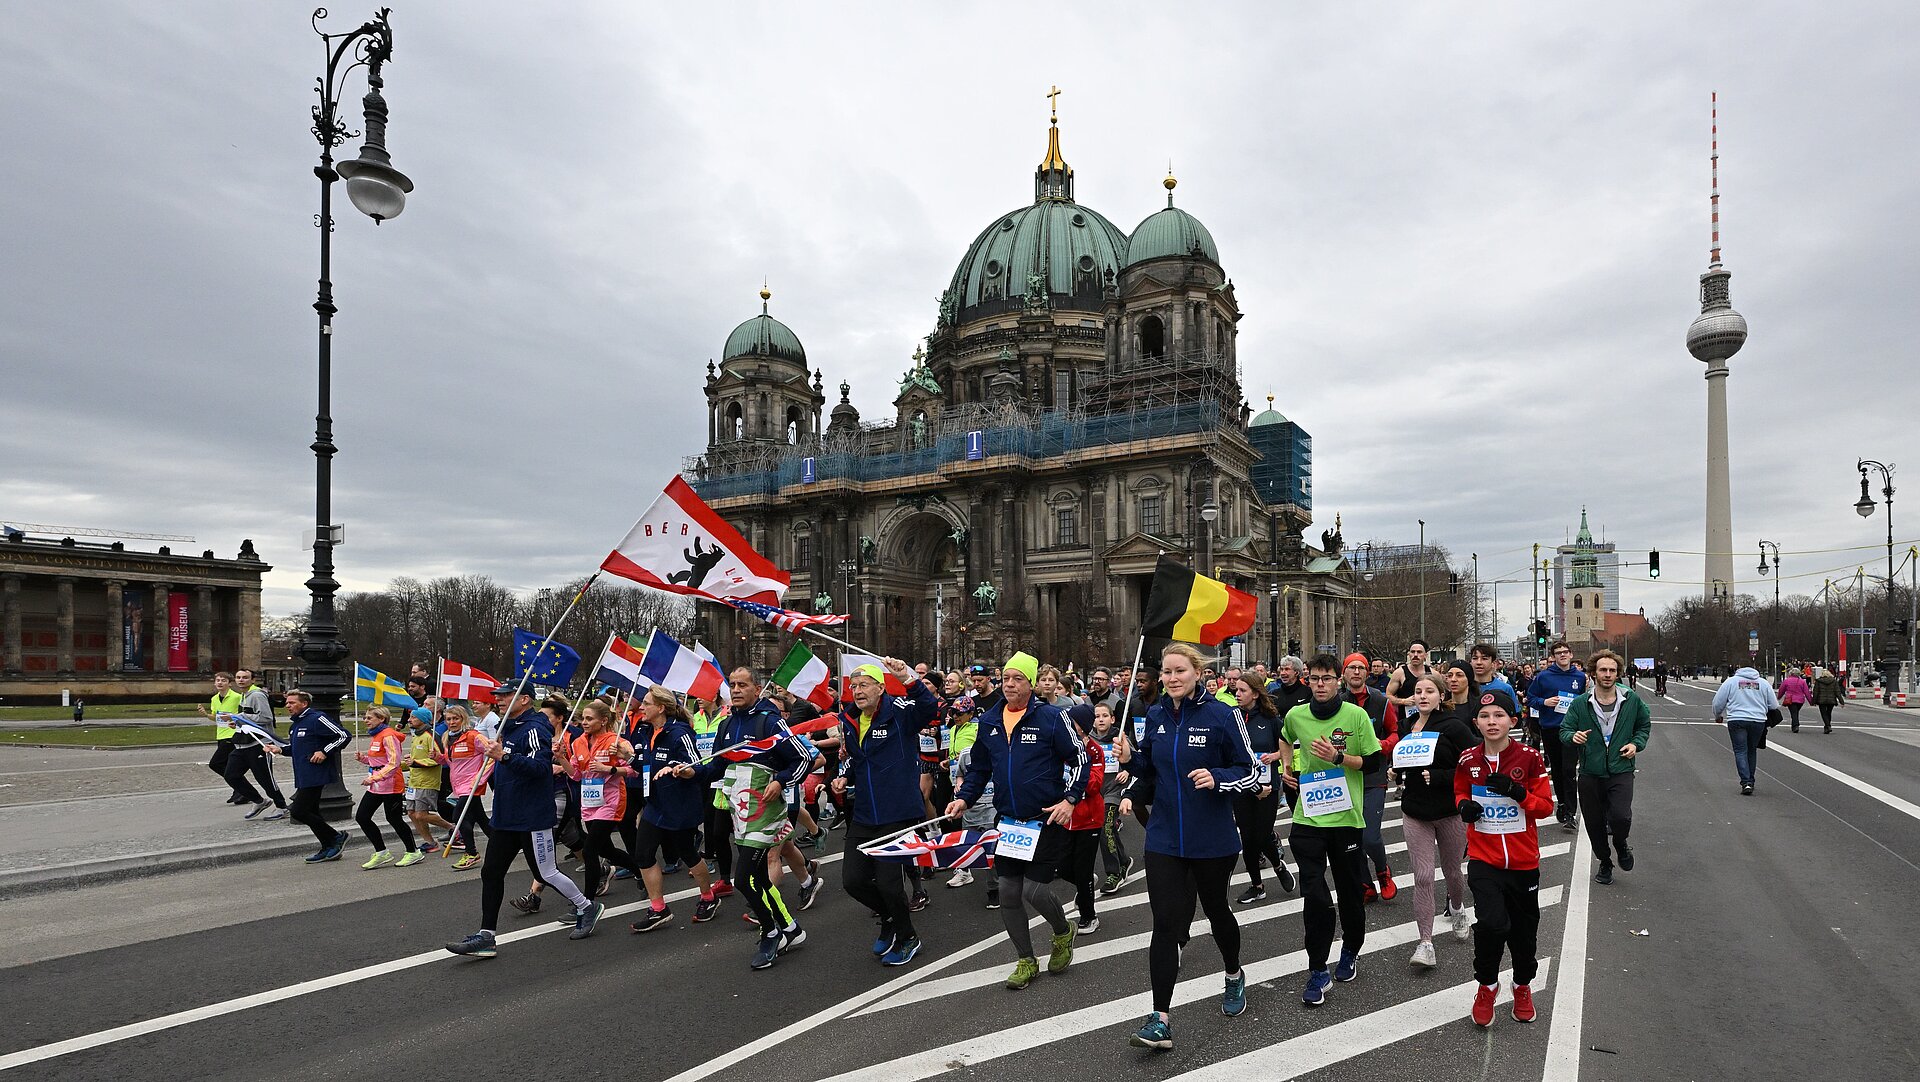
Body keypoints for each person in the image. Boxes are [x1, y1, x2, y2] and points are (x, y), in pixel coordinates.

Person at [1115, 644, 1259, 1050]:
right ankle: (1159, 1018)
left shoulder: (1222, 714)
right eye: (1166, 671)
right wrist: (1130, 760)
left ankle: (1233, 973)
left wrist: (1217, 778)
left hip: (1211, 838)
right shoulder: (1156, 715)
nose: (1172, 677)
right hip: (1163, 837)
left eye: (1180, 670)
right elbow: (1148, 770)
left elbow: (1250, 772)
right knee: (1165, 924)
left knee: (1216, 912)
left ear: (1197, 672)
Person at [946, 650, 1087, 991]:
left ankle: (1061, 931)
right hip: (1009, 821)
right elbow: (979, 768)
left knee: (1035, 890)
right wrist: (964, 798)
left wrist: (1070, 800)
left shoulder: (1051, 717)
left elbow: (1080, 759)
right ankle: (1025, 959)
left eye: (1018, 679)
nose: (1010, 684)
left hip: (1045, 818)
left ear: (1032, 684)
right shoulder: (990, 721)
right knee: (1009, 891)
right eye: (1006, 678)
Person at [444, 684, 601, 959]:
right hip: (506, 815)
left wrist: (503, 756)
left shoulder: (534, 727)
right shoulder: (510, 725)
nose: (498, 701)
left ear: (524, 699)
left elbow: (540, 769)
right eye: (498, 697)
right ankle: (486, 936)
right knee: (491, 872)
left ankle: (586, 906)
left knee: (546, 873)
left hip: (531, 816)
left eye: (505, 696)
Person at [1280, 653, 1385, 1006]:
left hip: (1346, 821)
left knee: (1349, 892)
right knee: (1316, 896)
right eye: (1314, 679)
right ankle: (1316, 970)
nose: (1320, 684)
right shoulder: (1296, 714)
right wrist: (1287, 767)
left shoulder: (1355, 716)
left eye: (1327, 678)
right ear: (1307, 681)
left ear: (1338, 680)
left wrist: (1338, 758)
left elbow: (1374, 761)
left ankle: (1351, 948)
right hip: (1307, 819)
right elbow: (1284, 737)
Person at [1456, 688, 1554, 1027]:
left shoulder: (1528, 757)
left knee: (1524, 933)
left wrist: (1518, 793)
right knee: (1492, 924)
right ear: (1476, 722)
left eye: (1499, 715)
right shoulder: (1468, 759)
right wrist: (1463, 807)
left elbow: (1545, 807)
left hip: (1524, 863)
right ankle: (1487, 985)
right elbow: (1459, 790)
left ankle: (1522, 985)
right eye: (1485, 716)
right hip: (1485, 860)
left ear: (1513, 721)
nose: (1491, 721)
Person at [832, 657, 939, 966]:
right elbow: (856, 759)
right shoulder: (851, 719)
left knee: (890, 884)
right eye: (853, 686)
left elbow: (929, 709)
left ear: (881, 687)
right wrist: (844, 777)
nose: (857, 690)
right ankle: (891, 919)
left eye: (864, 684)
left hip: (897, 813)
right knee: (853, 881)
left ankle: (909, 938)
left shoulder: (899, 712)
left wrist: (908, 678)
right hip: (864, 813)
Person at [1393, 675, 1476, 966]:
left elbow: (1475, 761)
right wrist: (1395, 771)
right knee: (1423, 876)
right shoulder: (1406, 726)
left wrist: (1442, 776)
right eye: (1418, 691)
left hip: (1449, 810)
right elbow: (1403, 760)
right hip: (1415, 811)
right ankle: (1425, 943)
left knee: (1453, 871)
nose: (1423, 696)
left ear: (1442, 696)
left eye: (1430, 691)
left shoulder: (1452, 726)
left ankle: (1458, 907)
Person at [624, 687, 724, 929]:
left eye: (646, 703)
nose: (641, 707)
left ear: (660, 708)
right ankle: (658, 908)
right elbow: (648, 763)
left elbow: (698, 766)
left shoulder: (680, 734)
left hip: (679, 806)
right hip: (655, 804)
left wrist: (682, 769)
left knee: (688, 854)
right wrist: (628, 758)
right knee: (643, 855)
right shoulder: (647, 730)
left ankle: (708, 897)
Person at [1564, 650, 1650, 884]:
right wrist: (1574, 736)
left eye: (1612, 670)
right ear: (1593, 673)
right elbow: (1565, 730)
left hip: (1621, 769)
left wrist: (1635, 744)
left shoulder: (1630, 700)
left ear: (1618, 673)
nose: (1608, 674)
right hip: (1591, 772)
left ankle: (1621, 844)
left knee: (1621, 817)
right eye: (1603, 670)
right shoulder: (1581, 704)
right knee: (1594, 823)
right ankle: (1605, 862)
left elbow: (1644, 725)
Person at [559, 699, 641, 900]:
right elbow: (576, 775)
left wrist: (609, 769)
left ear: (603, 720)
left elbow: (635, 770)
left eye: (589, 718)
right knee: (608, 850)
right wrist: (561, 758)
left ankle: (587, 902)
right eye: (583, 718)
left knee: (589, 851)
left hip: (611, 801)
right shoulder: (578, 743)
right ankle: (641, 871)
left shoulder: (617, 742)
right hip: (589, 803)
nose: (584, 722)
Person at [1227, 674, 1295, 903]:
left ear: (1255, 693)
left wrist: (1274, 756)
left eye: (1243, 690)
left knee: (1262, 834)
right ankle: (1257, 886)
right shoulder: (1232, 718)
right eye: (1236, 690)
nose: (1237, 694)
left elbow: (1288, 745)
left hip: (1267, 786)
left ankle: (1278, 865)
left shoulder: (1271, 719)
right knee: (1247, 838)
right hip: (1243, 786)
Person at [1338, 652, 1399, 902]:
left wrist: (1382, 745)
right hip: (1345, 775)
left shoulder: (1380, 701)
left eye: (1360, 668)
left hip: (1374, 775)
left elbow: (1395, 732)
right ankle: (1365, 883)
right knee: (1351, 835)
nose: (1355, 672)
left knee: (1369, 835)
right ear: (1344, 673)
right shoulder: (1337, 702)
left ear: (1367, 673)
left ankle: (1383, 870)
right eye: (1351, 668)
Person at [262, 690, 351, 862]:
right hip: (304, 774)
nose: (288, 706)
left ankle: (336, 837)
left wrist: (324, 751)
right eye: (287, 703)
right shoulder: (295, 724)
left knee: (298, 811)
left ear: (304, 704)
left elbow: (343, 735)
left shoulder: (317, 718)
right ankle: (328, 846)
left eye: (292, 703)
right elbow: (297, 749)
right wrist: (279, 749)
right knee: (312, 812)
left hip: (317, 773)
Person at [944, 698, 1002, 908]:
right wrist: (960, 785)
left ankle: (994, 889)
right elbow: (961, 772)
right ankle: (963, 871)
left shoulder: (997, 751)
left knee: (991, 849)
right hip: (970, 808)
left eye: (960, 713)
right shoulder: (966, 752)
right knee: (968, 844)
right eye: (953, 713)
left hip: (990, 808)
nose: (956, 717)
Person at [1525, 642, 1588, 832]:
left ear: (1571, 654)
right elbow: (1530, 699)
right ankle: (1561, 802)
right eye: (1558, 653)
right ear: (1553, 657)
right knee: (1558, 769)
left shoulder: (1579, 677)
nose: (1562, 655)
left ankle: (1570, 812)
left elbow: (1584, 701)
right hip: (1550, 728)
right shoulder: (1544, 677)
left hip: (1571, 730)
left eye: (1565, 652)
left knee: (1569, 769)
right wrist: (1545, 701)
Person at [351, 706, 421, 868]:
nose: (365, 720)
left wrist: (376, 777)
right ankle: (381, 852)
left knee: (394, 818)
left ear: (381, 719)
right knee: (362, 817)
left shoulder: (388, 736)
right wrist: (364, 759)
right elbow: (377, 760)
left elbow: (394, 762)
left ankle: (413, 851)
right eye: (365, 717)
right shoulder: (376, 736)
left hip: (390, 784)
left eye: (369, 718)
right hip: (376, 784)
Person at [1062, 704, 1107, 934]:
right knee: (1056, 865)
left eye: (1074, 723)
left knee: (1082, 868)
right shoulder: (1061, 746)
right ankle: (1086, 880)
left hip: (1088, 817)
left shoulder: (1095, 750)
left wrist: (1074, 774)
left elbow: (1094, 785)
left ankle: (1089, 917)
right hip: (1063, 816)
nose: (1069, 727)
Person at [1711, 664, 1780, 796]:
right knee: (1751, 750)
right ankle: (1751, 780)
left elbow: (1718, 702)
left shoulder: (1731, 682)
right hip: (1757, 720)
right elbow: (1774, 704)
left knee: (1740, 750)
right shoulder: (1763, 683)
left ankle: (1746, 781)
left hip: (1737, 719)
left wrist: (1718, 715)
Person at [228, 669, 287, 820]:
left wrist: (240, 716)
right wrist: (237, 723)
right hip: (242, 744)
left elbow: (266, 717)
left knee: (264, 778)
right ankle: (259, 801)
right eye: (238, 677)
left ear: (252, 680)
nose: (241, 680)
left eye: (245, 678)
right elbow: (249, 720)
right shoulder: (244, 695)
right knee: (231, 775)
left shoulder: (257, 695)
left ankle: (282, 807)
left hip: (259, 743)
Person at [1089, 702, 1135, 894]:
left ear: (1113, 719)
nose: (1101, 719)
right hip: (1095, 792)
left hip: (1115, 791)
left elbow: (1134, 760)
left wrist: (1127, 770)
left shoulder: (1120, 738)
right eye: (1097, 716)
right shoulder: (1089, 740)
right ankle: (1124, 860)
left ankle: (1114, 873)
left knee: (1105, 827)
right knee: (1107, 831)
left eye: (1105, 716)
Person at [441, 704, 492, 871]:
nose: (452, 722)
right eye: (448, 719)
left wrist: (479, 778)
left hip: (471, 785)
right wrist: (438, 758)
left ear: (463, 719)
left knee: (459, 816)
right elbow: (451, 762)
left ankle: (471, 853)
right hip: (458, 785)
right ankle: (503, 843)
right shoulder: (447, 737)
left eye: (455, 718)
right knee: (481, 818)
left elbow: (492, 755)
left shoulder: (473, 736)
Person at [403, 706, 455, 852]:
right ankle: (430, 842)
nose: (409, 720)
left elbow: (439, 759)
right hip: (414, 781)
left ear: (423, 719)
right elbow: (417, 759)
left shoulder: (430, 736)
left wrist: (416, 763)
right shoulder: (416, 736)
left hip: (427, 782)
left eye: (414, 717)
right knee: (412, 814)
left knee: (421, 814)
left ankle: (453, 829)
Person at [197, 672, 250, 805]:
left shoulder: (237, 697)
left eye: (223, 680)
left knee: (216, 763)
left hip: (233, 734)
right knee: (229, 766)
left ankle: (241, 789)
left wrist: (233, 718)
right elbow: (216, 717)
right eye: (218, 680)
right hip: (221, 734)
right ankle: (241, 790)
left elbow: (244, 715)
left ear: (229, 683)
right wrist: (206, 714)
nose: (220, 683)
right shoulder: (215, 699)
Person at [1384, 639, 1433, 713]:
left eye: (1419, 652)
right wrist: (1403, 701)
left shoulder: (1433, 674)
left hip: (1429, 718)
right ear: (1409, 654)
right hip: (1406, 720)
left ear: (1425, 655)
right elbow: (1388, 696)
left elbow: (1441, 696)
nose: (1415, 655)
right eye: (1413, 652)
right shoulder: (1399, 673)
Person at [1778, 667, 1810, 733]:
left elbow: (1781, 690)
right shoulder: (1802, 682)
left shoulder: (1786, 681)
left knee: (1793, 712)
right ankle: (1795, 725)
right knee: (1795, 712)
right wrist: (1811, 701)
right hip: (1800, 700)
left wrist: (1779, 697)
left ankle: (1795, 725)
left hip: (1790, 699)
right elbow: (1807, 692)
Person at [1811, 667, 1842, 734]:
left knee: (1823, 713)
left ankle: (1828, 725)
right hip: (1831, 700)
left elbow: (1815, 692)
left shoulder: (1818, 681)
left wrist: (1813, 701)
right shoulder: (1834, 681)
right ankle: (1827, 727)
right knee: (1829, 713)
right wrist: (1841, 701)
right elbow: (1837, 692)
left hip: (1821, 700)